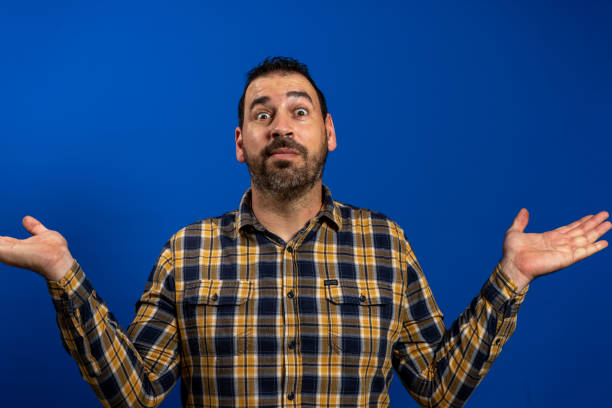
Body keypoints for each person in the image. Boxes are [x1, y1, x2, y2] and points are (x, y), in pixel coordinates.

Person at [0, 57, 609, 408]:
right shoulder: (187, 251)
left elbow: (436, 387)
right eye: (261, 114)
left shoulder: (385, 245)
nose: (281, 126)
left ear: (328, 132)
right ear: (241, 143)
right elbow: (133, 395)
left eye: (299, 110)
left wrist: (513, 278)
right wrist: (63, 275)